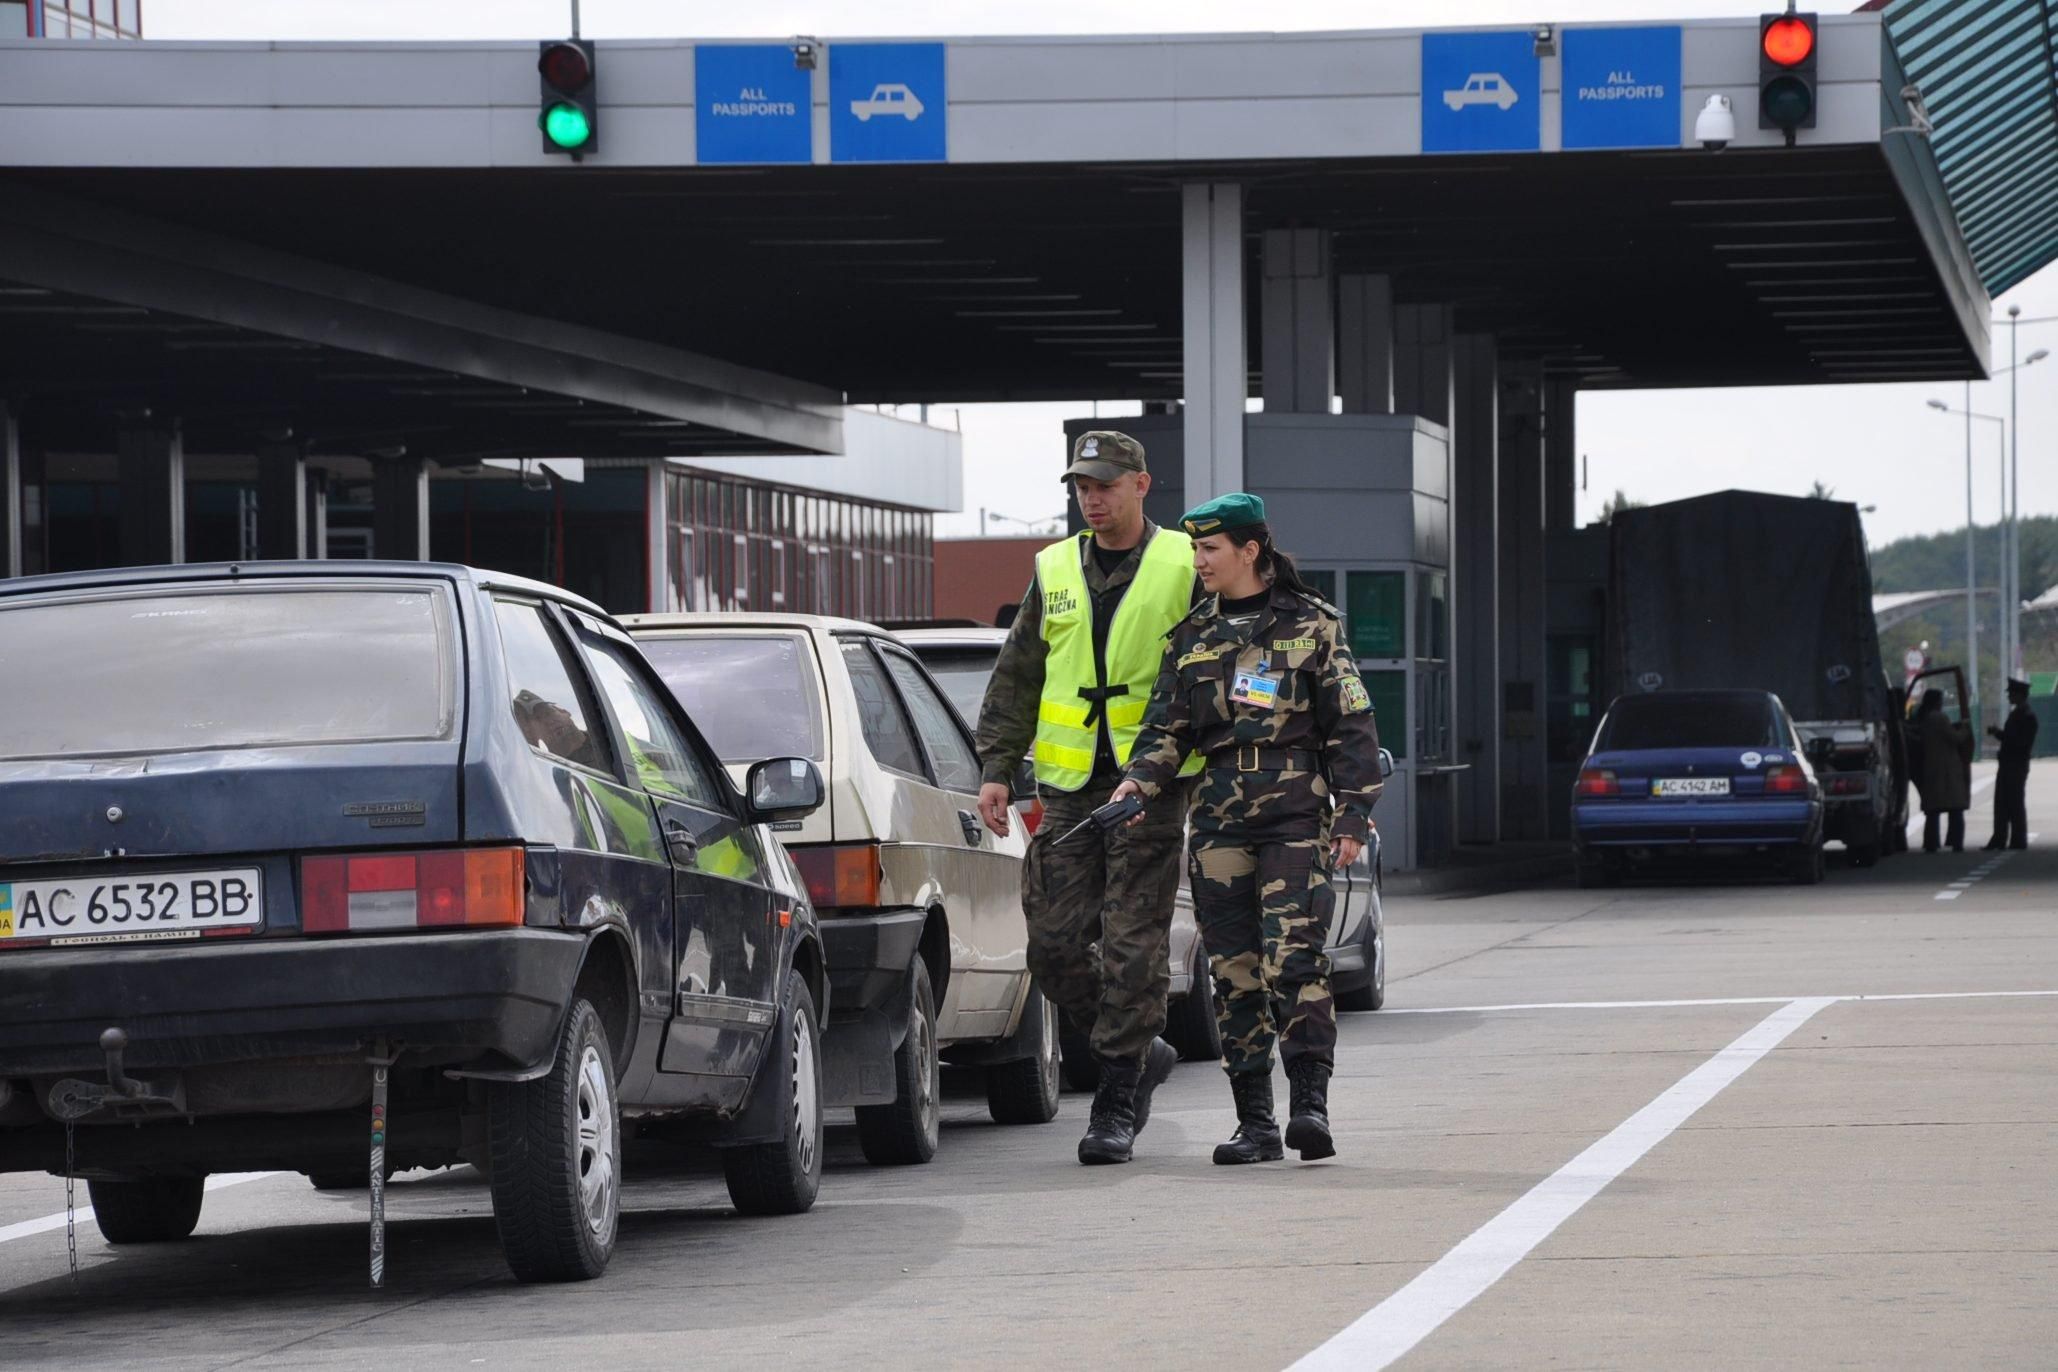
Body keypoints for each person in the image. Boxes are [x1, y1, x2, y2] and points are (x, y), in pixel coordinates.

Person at [1110, 493, 1383, 1165]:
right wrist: (1136, 784)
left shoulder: (1312, 625)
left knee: (1294, 959)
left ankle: (1310, 1108)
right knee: (1234, 973)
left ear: (1249, 551)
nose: (1198, 561)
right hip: (1218, 822)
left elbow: (1351, 724)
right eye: (1195, 548)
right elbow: (1164, 732)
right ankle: (1255, 1122)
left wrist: (1353, 812)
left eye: (1210, 550)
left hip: (1294, 815)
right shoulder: (1193, 636)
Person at [972, 430, 1203, 1166]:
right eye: (1081, 486)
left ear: (1142, 484)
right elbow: (1019, 672)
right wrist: (999, 766)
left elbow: (1215, 667)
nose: (1092, 498)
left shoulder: (1182, 562)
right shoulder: (1055, 568)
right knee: (1053, 944)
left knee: (1134, 943)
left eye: (1105, 484)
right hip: (1070, 787)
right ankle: (1142, 1046)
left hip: (1151, 782)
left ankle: (1117, 1092)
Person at [1985, 677, 2040, 850]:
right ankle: (2000, 838)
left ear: (2019, 695)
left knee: (2014, 802)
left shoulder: (2027, 716)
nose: (2009, 696)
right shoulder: (2019, 714)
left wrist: (2003, 736)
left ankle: (2017, 839)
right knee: (2002, 802)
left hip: (2015, 765)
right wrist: (1998, 733)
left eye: (2012, 693)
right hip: (2009, 764)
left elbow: (2020, 742)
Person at [1915, 689, 1973, 853]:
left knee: (1933, 810)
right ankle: (1956, 842)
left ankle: (1931, 842)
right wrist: (1966, 729)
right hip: (1947, 769)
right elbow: (1955, 738)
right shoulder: (1939, 717)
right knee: (1956, 808)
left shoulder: (1926, 718)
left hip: (1932, 768)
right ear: (1936, 701)